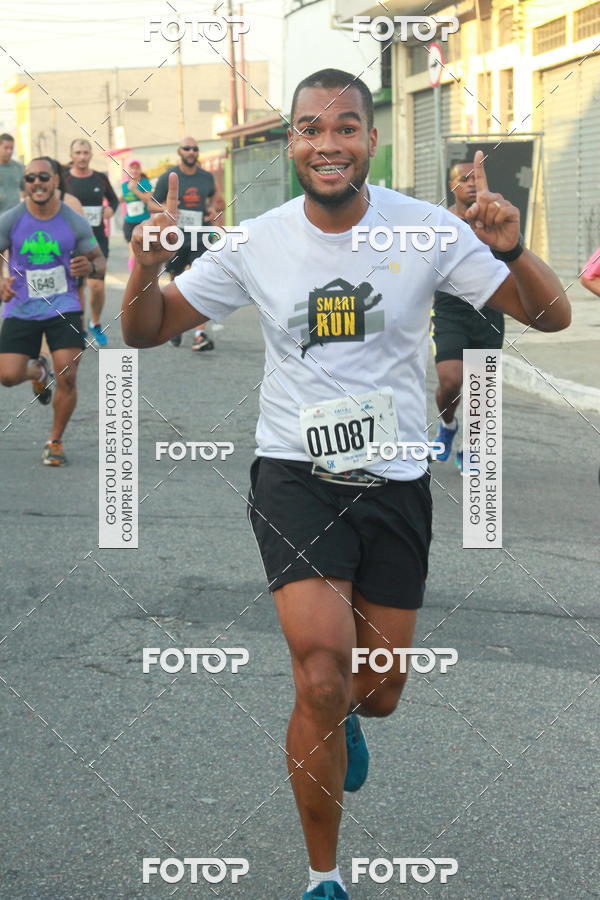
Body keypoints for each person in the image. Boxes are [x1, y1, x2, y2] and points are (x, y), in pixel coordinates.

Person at [120, 69, 570, 900]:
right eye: (309, 129)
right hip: (296, 474)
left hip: (396, 478)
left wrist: (511, 248)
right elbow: (146, 331)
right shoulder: (257, 241)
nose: (327, 143)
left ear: (370, 138)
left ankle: (353, 720)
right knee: (319, 674)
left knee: (382, 690)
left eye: (345, 127)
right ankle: (323, 878)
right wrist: (144, 269)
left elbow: (550, 317)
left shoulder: (426, 228)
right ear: (291, 141)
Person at [0, 156, 105, 465]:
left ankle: (55, 440)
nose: (37, 183)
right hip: (22, 306)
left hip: (64, 305)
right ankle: (38, 370)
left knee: (68, 375)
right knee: (7, 376)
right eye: (30, 178)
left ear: (56, 180)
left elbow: (98, 260)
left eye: (43, 177)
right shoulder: (12, 219)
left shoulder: (73, 221)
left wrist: (90, 266)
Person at [430, 161, 506, 471]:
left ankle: (471, 446)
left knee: (480, 387)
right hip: (450, 310)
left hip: (489, 309)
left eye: (476, 178)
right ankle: (447, 425)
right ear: (452, 186)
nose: (471, 183)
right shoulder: (439, 221)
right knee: (451, 380)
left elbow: (512, 258)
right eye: (464, 179)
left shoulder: (496, 217)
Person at [150, 137, 216, 350]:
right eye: (187, 148)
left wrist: (214, 209)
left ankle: (200, 334)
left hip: (202, 235)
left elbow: (215, 199)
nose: (191, 151)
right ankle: (175, 327)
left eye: (195, 148)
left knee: (202, 280)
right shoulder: (169, 177)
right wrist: (168, 211)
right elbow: (152, 204)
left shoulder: (206, 177)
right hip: (175, 237)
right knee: (176, 283)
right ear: (179, 151)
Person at [63, 138, 118, 346]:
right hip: (71, 242)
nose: (82, 157)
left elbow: (113, 200)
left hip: (97, 241)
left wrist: (110, 209)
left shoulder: (100, 179)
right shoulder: (64, 180)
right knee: (78, 287)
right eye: (78, 153)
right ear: (71, 156)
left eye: (85, 152)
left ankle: (95, 322)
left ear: (91, 155)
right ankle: (82, 327)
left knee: (96, 286)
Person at [120, 158, 153, 271]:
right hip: (129, 223)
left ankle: (145, 277)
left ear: (140, 170)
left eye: (136, 168)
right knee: (134, 252)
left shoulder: (145, 183)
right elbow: (122, 199)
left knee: (145, 252)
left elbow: (147, 200)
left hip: (144, 223)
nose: (134, 170)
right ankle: (133, 279)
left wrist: (134, 190)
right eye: (132, 168)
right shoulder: (124, 185)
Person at [0, 133, 24, 215]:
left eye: (11, 148)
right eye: (6, 148)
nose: (9, 151)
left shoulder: (19, 168)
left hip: (14, 217)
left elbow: (26, 190)